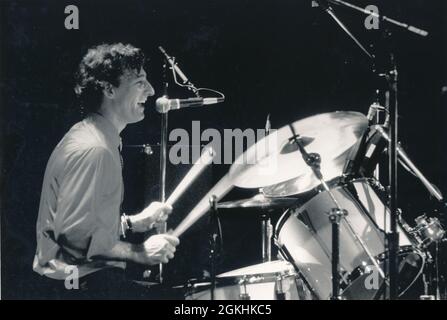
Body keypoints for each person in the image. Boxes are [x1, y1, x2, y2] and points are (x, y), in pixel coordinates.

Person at [33, 43, 180, 299]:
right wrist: (140, 252)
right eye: (140, 82)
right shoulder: (95, 149)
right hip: (78, 286)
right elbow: (76, 238)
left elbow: (83, 222)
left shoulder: (92, 135)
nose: (152, 90)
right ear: (110, 90)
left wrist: (132, 223)